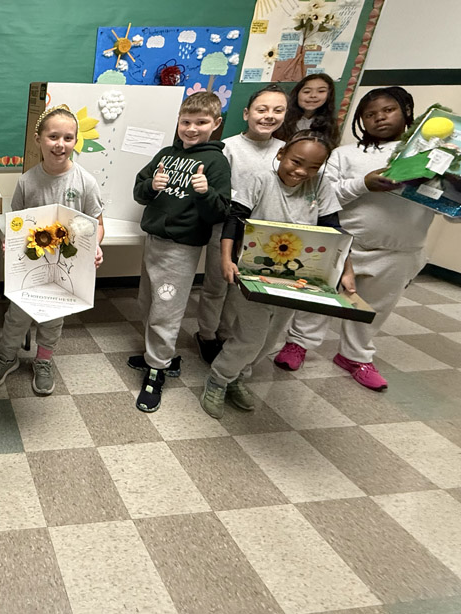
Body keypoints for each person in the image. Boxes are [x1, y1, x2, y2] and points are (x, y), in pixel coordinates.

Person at [274, 87, 438, 391]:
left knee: (375, 306)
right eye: (370, 114)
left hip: (398, 250)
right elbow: (322, 195)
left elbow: (450, 210)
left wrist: (451, 181)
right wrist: (364, 184)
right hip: (344, 243)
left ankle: (355, 355)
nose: (379, 118)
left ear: (406, 112)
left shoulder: (430, 158)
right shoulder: (346, 154)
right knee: (318, 297)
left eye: (388, 110)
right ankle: (298, 343)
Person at [200, 130, 351, 418]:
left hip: (296, 278)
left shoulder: (320, 185)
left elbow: (335, 229)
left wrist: (346, 270)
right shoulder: (260, 180)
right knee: (251, 337)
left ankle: (238, 376)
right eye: (296, 162)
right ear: (281, 154)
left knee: (271, 339)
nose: (302, 171)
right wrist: (226, 259)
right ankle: (218, 378)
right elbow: (234, 220)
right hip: (252, 273)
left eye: (313, 167)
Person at [0, 104, 105, 396]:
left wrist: (95, 246)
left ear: (75, 141)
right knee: (17, 315)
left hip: (66, 267)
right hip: (31, 262)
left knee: (53, 317)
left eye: (68, 138)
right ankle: (7, 357)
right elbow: (16, 223)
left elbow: (98, 225)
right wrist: (10, 243)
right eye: (53, 137)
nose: (60, 144)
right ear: (39, 139)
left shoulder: (85, 182)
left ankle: (44, 361)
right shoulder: (27, 181)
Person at [129, 92, 231, 412]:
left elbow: (219, 211)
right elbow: (139, 191)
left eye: (201, 122)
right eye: (186, 121)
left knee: (166, 310)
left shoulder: (216, 162)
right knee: (148, 302)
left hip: (181, 250)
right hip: (154, 242)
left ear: (216, 124)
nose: (191, 128)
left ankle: (156, 370)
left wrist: (205, 193)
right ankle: (161, 356)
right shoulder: (166, 154)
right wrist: (151, 186)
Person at [195, 85, 287, 363]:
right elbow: (218, 189)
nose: (269, 115)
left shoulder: (285, 150)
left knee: (241, 290)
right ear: (247, 113)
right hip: (225, 227)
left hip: (262, 236)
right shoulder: (228, 147)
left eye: (278, 110)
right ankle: (206, 334)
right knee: (216, 285)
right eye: (262, 109)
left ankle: (226, 335)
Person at [276, 73, 339, 147]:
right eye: (307, 91)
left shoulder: (329, 125)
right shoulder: (281, 119)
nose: (313, 95)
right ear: (297, 94)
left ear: (329, 95)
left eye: (321, 91)